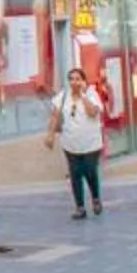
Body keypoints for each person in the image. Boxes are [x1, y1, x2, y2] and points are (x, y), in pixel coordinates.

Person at [49, 70, 106, 219]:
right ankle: (80, 207)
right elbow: (55, 115)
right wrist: (50, 136)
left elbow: (93, 112)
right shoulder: (63, 96)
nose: (74, 82)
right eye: (71, 79)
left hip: (90, 143)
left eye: (77, 79)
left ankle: (95, 198)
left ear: (83, 80)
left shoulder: (91, 94)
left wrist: (82, 95)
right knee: (75, 175)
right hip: (70, 143)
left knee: (90, 171)